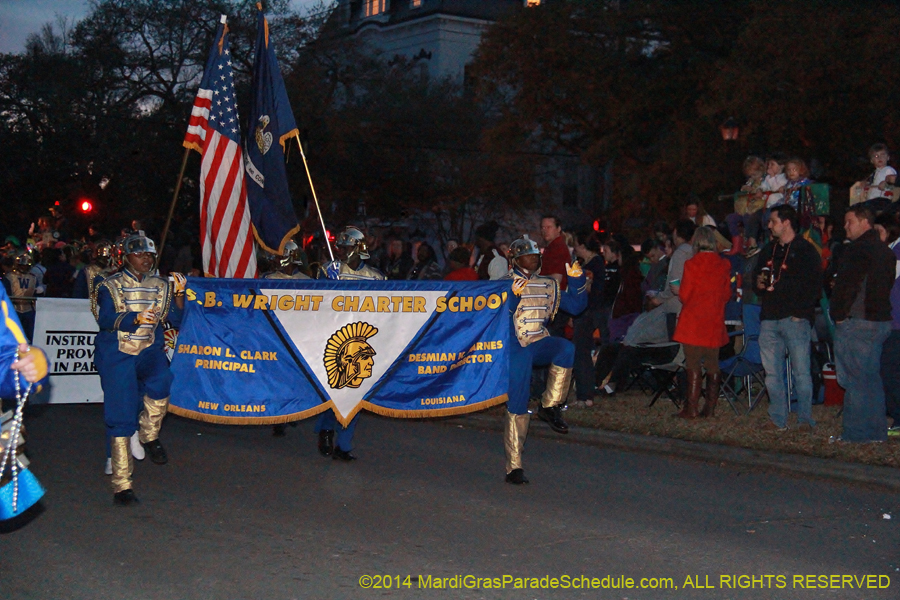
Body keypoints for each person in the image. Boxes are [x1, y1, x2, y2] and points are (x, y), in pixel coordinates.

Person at [92, 231, 185, 505]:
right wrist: (135, 317)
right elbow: (106, 318)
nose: (146, 258)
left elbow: (176, 318)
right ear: (127, 257)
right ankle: (122, 485)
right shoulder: (108, 284)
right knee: (120, 417)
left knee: (162, 379)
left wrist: (179, 294)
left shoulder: (161, 284)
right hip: (117, 353)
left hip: (148, 349)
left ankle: (148, 433)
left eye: (149, 253)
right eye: (139, 253)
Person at [502, 236, 586, 484]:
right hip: (514, 347)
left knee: (565, 349)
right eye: (528, 256)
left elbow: (578, 306)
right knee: (517, 405)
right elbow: (495, 318)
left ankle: (550, 406)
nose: (533, 260)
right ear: (515, 260)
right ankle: (514, 467)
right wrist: (512, 297)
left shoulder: (549, 284)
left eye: (536, 255)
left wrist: (577, 279)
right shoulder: (501, 284)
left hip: (538, 341)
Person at [316, 226, 385, 460]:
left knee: (355, 393)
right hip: (334, 339)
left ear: (358, 249)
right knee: (333, 390)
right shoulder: (329, 270)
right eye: (340, 248)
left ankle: (343, 445)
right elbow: (317, 304)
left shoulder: (377, 277)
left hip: (361, 340)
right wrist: (328, 284)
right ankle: (326, 429)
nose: (341, 252)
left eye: (346, 248)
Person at [830, 206, 896, 443]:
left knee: (855, 380)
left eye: (849, 222)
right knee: (871, 379)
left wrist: (838, 313)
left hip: (858, 321)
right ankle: (875, 432)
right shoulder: (885, 252)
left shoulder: (857, 250)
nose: (845, 227)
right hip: (879, 320)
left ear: (864, 222)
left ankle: (856, 434)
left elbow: (848, 285)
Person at [753, 205, 822, 432]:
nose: (770, 225)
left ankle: (804, 419)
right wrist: (760, 284)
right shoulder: (768, 250)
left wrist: (800, 313)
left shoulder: (805, 250)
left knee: (801, 371)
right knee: (772, 372)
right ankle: (778, 418)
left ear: (786, 222)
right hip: (770, 318)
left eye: (773, 221)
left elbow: (814, 285)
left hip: (795, 319)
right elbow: (758, 278)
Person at [672, 227, 733, 418]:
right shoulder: (723, 265)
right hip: (714, 322)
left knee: (693, 365)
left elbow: (684, 295)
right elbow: (726, 295)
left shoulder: (691, 264)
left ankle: (691, 408)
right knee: (713, 365)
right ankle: (710, 408)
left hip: (693, 323)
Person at [873, 214, 900, 435]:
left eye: (878, 231)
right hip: (889, 321)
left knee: (891, 371)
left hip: (896, 322)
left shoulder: (894, 253)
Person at [571, 230, 605, 405]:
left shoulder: (593, 266)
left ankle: (585, 395)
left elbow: (591, 290)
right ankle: (585, 394)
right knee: (583, 353)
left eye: (576, 245)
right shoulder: (595, 263)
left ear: (583, 246)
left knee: (581, 353)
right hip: (589, 312)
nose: (575, 249)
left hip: (587, 312)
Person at [3, 252, 38, 342]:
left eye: (26, 266)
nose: (24, 267)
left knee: (31, 334)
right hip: (14, 308)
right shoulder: (10, 277)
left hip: (28, 308)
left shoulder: (33, 278)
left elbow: (36, 293)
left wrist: (38, 291)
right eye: (23, 265)